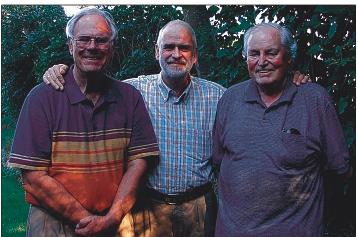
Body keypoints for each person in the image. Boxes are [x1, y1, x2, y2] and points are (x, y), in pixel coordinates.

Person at [42, 20, 309, 237]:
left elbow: (260, 98)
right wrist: (60, 70)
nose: (176, 54)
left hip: (200, 209)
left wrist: (292, 79)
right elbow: (91, 77)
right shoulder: (131, 91)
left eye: (184, 48)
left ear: (194, 56)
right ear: (157, 52)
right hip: (146, 208)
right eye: (168, 47)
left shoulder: (220, 97)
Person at [8, 7, 159, 237]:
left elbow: (138, 163)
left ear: (112, 47)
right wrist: (90, 222)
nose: (92, 47)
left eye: (101, 40)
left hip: (116, 222)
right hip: (54, 224)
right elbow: (33, 177)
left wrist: (113, 217)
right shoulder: (42, 98)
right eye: (84, 39)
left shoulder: (129, 97)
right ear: (70, 46)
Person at [212, 22, 352, 237]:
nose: (261, 62)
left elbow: (341, 170)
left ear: (288, 57)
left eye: (271, 53)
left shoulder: (315, 100)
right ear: (245, 58)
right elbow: (220, 162)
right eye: (254, 54)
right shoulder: (229, 99)